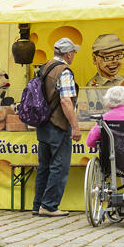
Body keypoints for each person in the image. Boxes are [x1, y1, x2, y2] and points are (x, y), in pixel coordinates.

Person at [32, 37, 82, 218]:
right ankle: (50, 205)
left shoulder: (45, 67)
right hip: (58, 124)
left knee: (44, 165)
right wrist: (75, 127)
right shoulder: (64, 71)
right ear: (68, 54)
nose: (74, 55)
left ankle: (38, 205)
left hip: (43, 123)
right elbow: (65, 100)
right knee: (59, 166)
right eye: (73, 53)